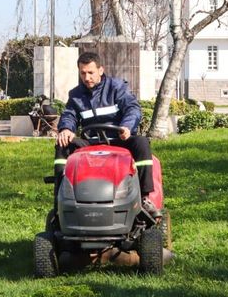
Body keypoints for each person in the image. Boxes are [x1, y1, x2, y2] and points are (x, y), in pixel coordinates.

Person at [55, 52, 160, 218]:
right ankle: (60, 201)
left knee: (141, 142)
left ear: (100, 70)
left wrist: (127, 126)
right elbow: (69, 115)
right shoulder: (76, 95)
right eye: (83, 73)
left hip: (118, 140)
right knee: (62, 144)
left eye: (91, 72)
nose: (87, 77)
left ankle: (144, 197)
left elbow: (132, 108)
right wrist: (66, 129)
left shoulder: (116, 87)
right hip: (91, 143)